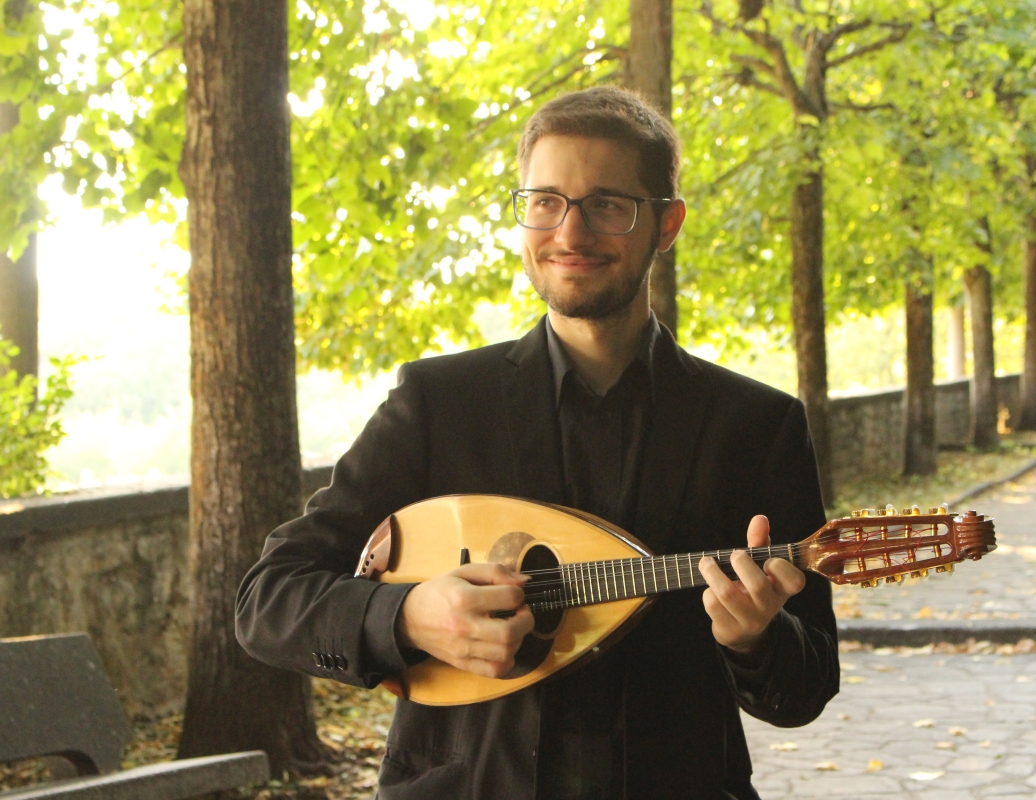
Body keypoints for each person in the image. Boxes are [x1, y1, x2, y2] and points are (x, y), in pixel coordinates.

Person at [236, 86, 839, 800]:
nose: (570, 234)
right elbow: (267, 598)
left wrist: (753, 640)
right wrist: (407, 616)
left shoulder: (756, 425)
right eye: (545, 201)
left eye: (606, 205)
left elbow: (805, 689)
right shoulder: (440, 403)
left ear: (666, 224)